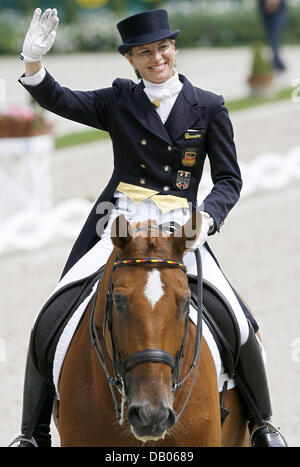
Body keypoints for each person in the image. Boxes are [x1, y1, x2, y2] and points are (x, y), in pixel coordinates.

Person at [11, 8, 287, 447]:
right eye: (145, 52)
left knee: (236, 317)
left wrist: (209, 216)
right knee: (53, 312)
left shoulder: (209, 106)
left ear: (173, 48)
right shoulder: (119, 100)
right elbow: (59, 99)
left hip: (181, 228)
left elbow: (230, 179)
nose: (156, 57)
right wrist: (33, 63)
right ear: (131, 60)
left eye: (162, 47)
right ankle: (32, 432)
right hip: (117, 224)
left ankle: (263, 424)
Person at [258, 0, 287, 72]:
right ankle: (276, 62)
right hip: (264, 8)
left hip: (279, 8)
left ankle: (276, 62)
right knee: (270, 36)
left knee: (274, 35)